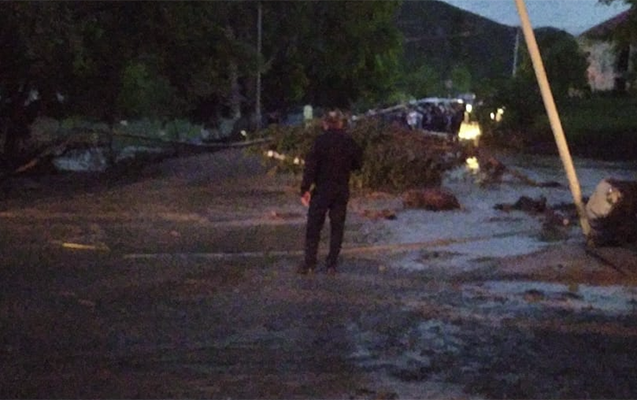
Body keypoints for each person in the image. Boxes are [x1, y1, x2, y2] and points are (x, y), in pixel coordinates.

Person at [298, 109, 363, 275]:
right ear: (340, 123)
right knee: (337, 227)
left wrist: (305, 189)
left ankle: (310, 263)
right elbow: (358, 164)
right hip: (341, 189)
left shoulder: (319, 141)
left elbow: (310, 167)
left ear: (325, 124)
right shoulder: (349, 141)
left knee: (314, 227)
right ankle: (331, 264)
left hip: (322, 190)